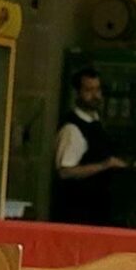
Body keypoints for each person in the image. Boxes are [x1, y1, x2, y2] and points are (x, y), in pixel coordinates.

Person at [51, 65, 125, 221]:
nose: (95, 96)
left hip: (97, 211)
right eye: (88, 91)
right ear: (77, 93)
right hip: (76, 212)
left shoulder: (96, 122)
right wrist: (104, 165)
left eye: (97, 90)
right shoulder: (72, 128)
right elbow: (65, 171)